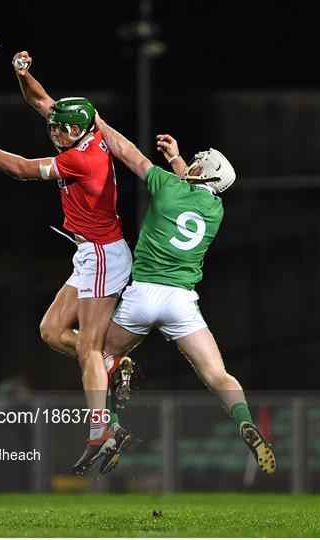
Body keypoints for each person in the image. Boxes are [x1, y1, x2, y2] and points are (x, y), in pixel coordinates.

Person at [0, 52, 132, 475]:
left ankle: (102, 431)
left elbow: (20, 169)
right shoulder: (86, 131)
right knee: (52, 331)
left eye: (61, 128)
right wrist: (24, 74)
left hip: (103, 254)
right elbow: (42, 103)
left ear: (80, 130)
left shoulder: (82, 158)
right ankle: (115, 363)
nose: (54, 131)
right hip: (86, 253)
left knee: (89, 349)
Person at [94, 116, 276, 475]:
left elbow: (128, 153)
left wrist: (99, 123)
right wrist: (177, 159)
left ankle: (112, 426)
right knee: (219, 376)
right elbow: (194, 184)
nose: (190, 163)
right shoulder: (215, 209)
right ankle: (244, 421)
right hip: (181, 302)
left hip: (142, 295)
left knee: (98, 356)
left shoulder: (166, 186)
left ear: (202, 170)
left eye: (196, 161)